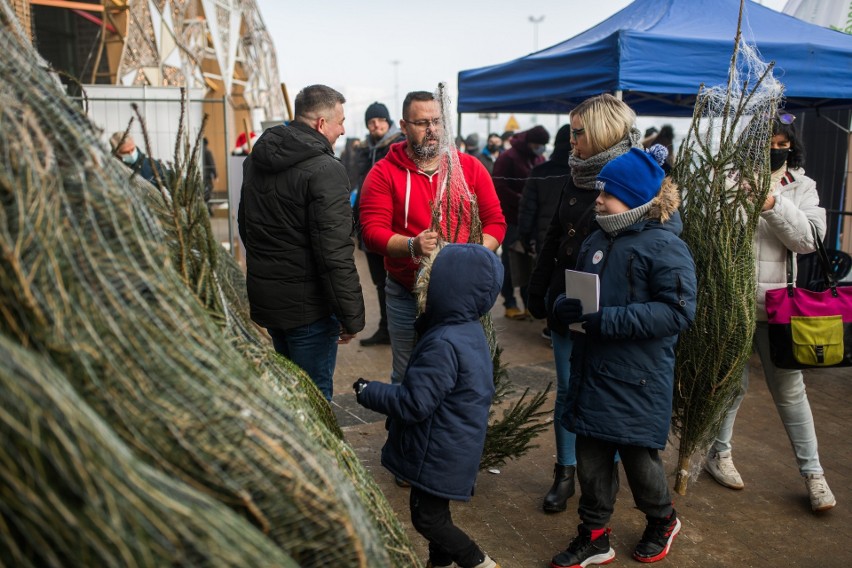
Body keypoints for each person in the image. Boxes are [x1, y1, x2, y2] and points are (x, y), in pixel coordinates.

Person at [549, 147, 697, 568]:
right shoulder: (597, 237)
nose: (597, 200)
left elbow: (677, 311)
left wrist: (605, 319)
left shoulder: (666, 247)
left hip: (638, 378)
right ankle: (594, 536)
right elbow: (578, 293)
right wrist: (564, 306)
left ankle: (662, 519)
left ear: (634, 199)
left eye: (607, 193)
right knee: (591, 458)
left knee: (639, 460)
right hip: (592, 370)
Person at [704, 114, 835, 512]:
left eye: (783, 144)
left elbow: (809, 240)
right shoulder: (726, 179)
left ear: (791, 146)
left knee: (791, 393)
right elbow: (713, 233)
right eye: (769, 144)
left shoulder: (802, 186)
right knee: (730, 386)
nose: (777, 150)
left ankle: (814, 475)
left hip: (780, 306)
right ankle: (719, 454)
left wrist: (774, 204)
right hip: (734, 303)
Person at [353, 244, 503, 568]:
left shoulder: (444, 342)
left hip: (437, 451)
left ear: (449, 287)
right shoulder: (467, 330)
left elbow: (414, 403)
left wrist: (369, 391)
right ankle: (441, 563)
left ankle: (477, 562)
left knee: (428, 519)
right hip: (451, 445)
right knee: (437, 513)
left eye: (431, 277)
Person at [527, 94, 642, 514]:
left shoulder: (637, 179)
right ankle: (565, 471)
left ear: (600, 133)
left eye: (578, 133)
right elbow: (554, 239)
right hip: (567, 304)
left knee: (606, 393)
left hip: (611, 310)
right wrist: (538, 291)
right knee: (568, 392)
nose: (571, 141)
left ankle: (605, 478)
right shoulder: (573, 176)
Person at [358, 90, 506, 387]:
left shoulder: (470, 167)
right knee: (407, 375)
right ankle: (404, 432)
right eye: (422, 122)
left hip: (462, 296)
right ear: (403, 125)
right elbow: (371, 231)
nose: (432, 130)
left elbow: (496, 222)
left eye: (437, 122)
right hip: (406, 293)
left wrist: (473, 256)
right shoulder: (383, 172)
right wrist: (411, 245)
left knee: (462, 377)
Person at [238, 84, 364, 401]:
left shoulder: (256, 160)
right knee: (314, 398)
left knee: (289, 393)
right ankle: (317, 453)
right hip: (311, 309)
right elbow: (335, 252)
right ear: (322, 124)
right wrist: (352, 317)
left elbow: (246, 226)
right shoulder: (325, 170)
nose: (343, 129)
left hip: (272, 303)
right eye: (341, 121)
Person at [354, 102, 406, 347]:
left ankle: (402, 330)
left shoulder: (399, 145)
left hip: (394, 229)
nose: (375, 126)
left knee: (398, 280)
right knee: (379, 282)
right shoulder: (365, 149)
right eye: (371, 122)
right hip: (369, 227)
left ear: (388, 121)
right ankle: (386, 329)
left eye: (379, 121)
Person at [518, 124, 572, 342]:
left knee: (548, 277)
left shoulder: (540, 172)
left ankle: (552, 327)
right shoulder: (580, 173)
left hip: (543, 239)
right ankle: (562, 328)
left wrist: (525, 236)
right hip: (571, 237)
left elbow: (527, 209)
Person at [492, 125, 550, 320]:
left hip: (531, 221)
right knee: (510, 261)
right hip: (511, 220)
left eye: (543, 145)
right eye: (537, 145)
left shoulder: (539, 159)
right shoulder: (508, 157)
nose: (540, 148)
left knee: (530, 264)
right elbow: (498, 186)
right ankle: (509, 301)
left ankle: (527, 302)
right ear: (529, 142)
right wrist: (524, 200)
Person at [202, 137, 217, 212]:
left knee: (202, 193)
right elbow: (212, 164)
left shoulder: (198, 152)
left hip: (199, 177)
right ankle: (209, 210)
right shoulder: (207, 152)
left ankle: (205, 209)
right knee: (208, 193)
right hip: (207, 177)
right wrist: (215, 175)